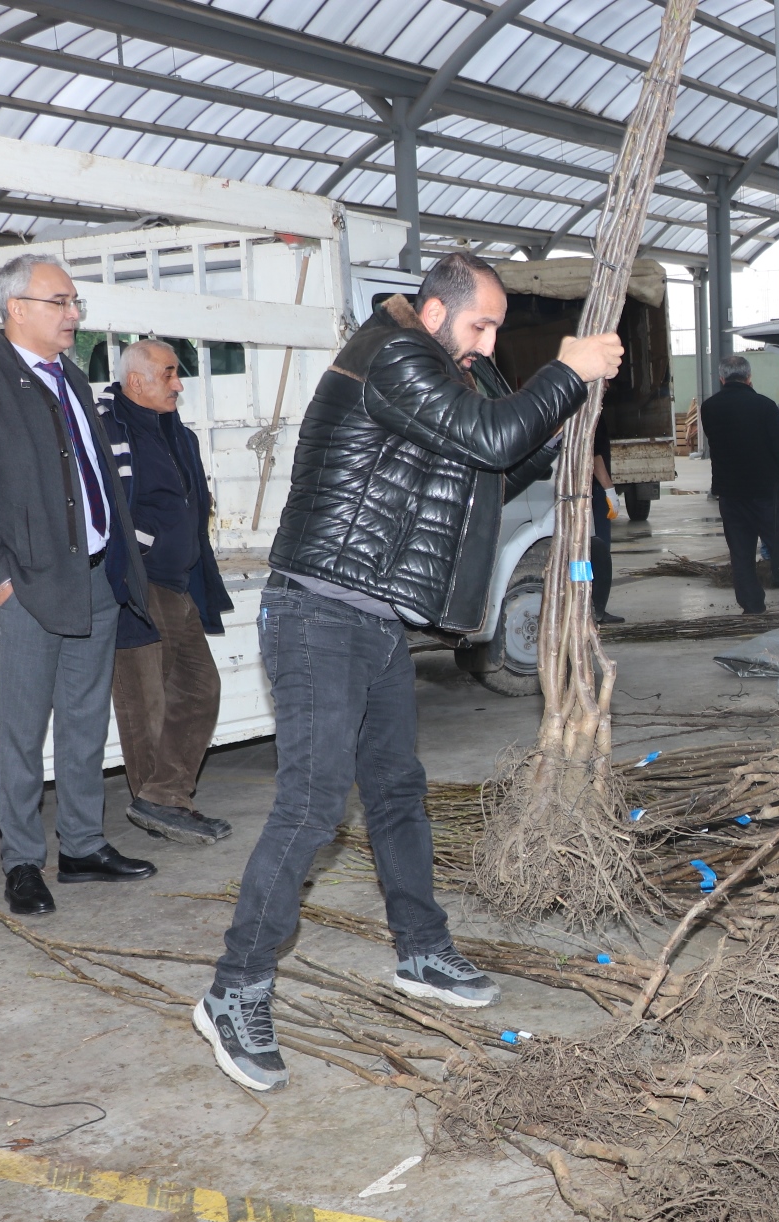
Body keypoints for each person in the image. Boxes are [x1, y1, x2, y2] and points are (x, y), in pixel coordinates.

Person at [197, 251, 622, 1092]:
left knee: (395, 790)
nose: (490, 343)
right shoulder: (391, 355)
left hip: (374, 615)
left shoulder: (437, 368)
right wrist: (564, 373)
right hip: (318, 611)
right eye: (481, 326)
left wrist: (569, 418)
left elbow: (494, 464)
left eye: (497, 328)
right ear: (434, 313)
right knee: (315, 804)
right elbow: (491, 434)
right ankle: (234, 988)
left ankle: (421, 950)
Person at [0, 253, 159, 917]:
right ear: (16, 309)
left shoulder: (73, 381)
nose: (73, 315)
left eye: (74, 302)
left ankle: (84, 846)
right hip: (25, 590)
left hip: (93, 579)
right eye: (60, 302)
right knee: (22, 730)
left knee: (87, 721)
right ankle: (23, 861)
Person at [98, 339, 234, 846]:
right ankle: (161, 802)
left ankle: (162, 797)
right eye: (169, 374)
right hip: (138, 584)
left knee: (200, 690)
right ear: (137, 381)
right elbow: (101, 506)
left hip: (180, 585)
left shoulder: (176, 432)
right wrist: (146, 545)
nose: (179, 384)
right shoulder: (106, 429)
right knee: (144, 703)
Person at [702, 354, 779, 614]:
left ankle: (751, 605)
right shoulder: (764, 406)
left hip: (730, 493)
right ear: (749, 377)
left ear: (722, 378)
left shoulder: (709, 407)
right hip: (766, 493)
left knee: (741, 554)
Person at [589, 432, 621, 625]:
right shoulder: (590, 409)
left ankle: (590, 606)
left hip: (588, 487)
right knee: (598, 549)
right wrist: (608, 488)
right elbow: (593, 453)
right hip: (594, 488)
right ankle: (596, 608)